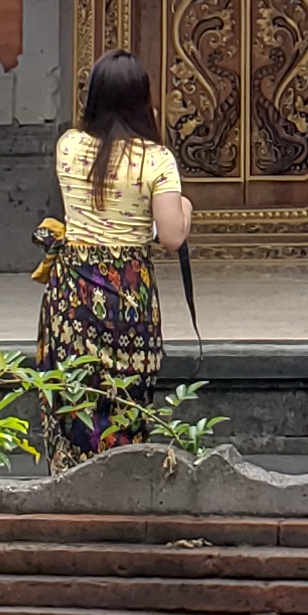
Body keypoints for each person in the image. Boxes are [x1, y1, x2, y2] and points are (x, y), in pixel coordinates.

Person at [35, 49, 188, 456]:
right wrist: (185, 210)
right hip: (127, 289)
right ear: (143, 99)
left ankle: (69, 477)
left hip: (73, 285)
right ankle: (123, 475)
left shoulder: (68, 145)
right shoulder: (156, 159)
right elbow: (172, 236)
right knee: (125, 394)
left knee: (73, 391)